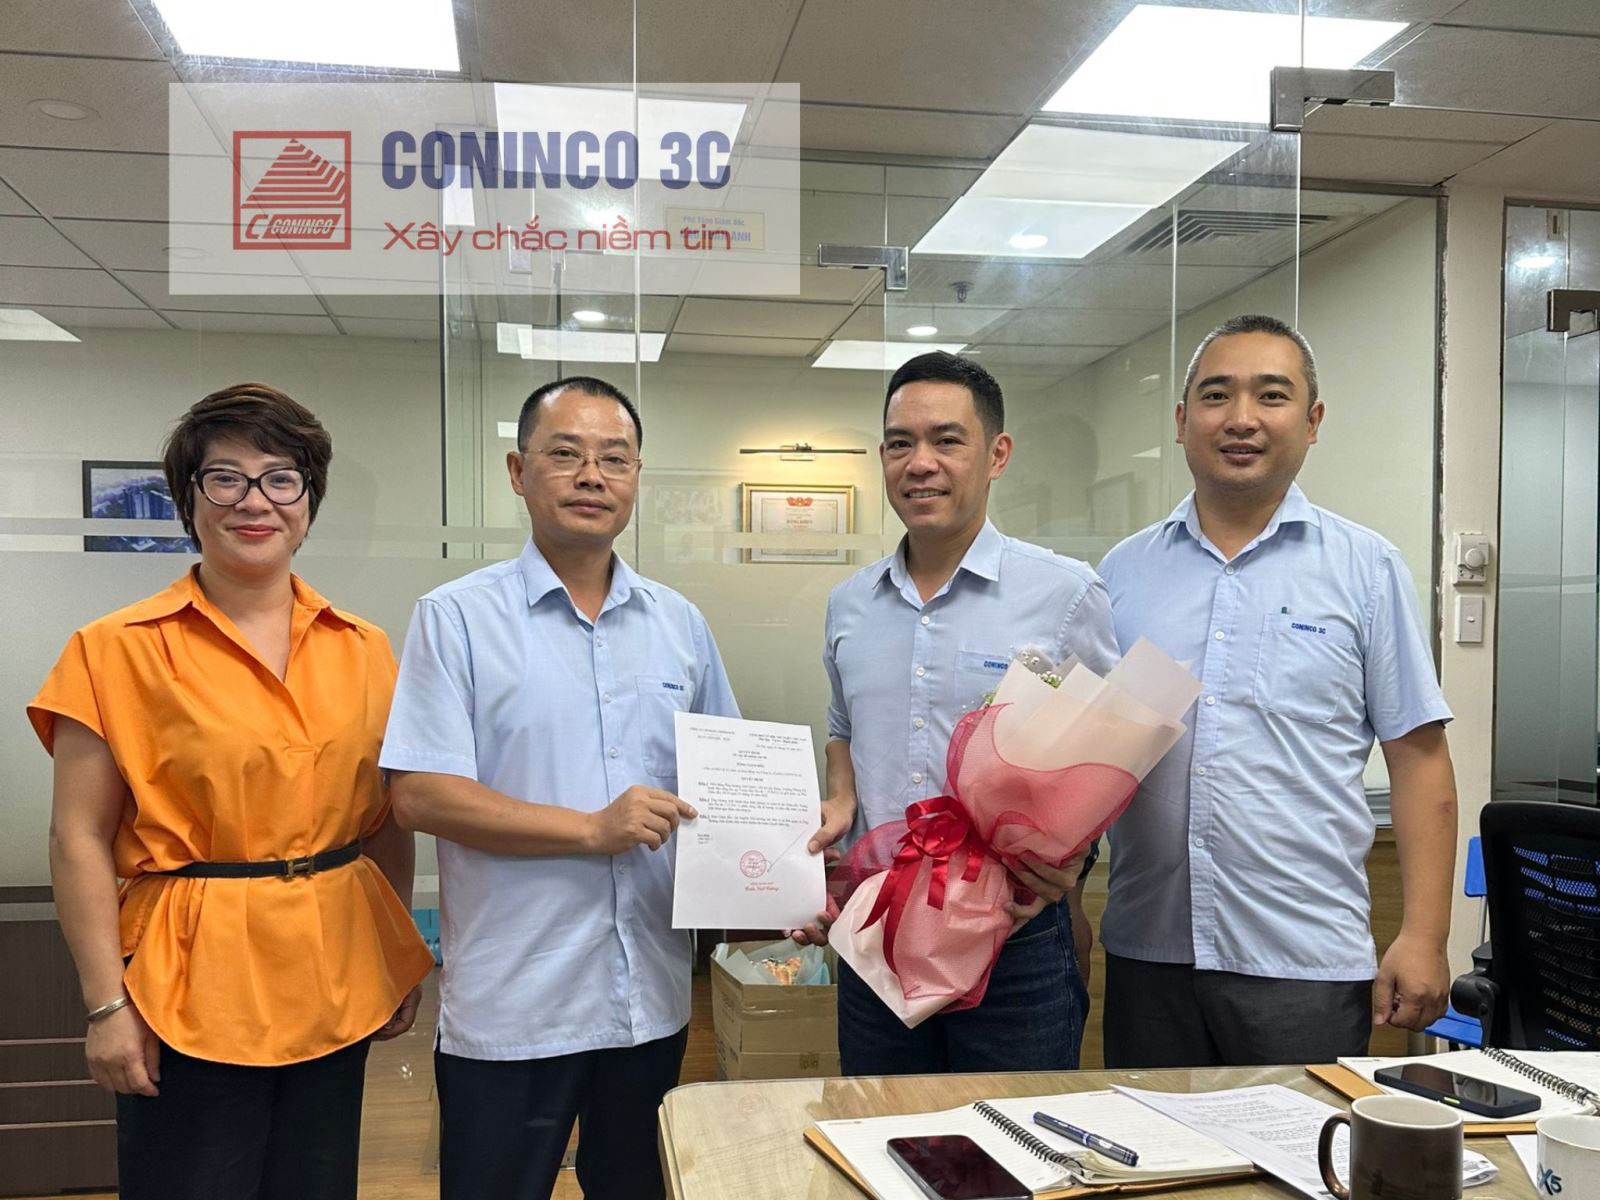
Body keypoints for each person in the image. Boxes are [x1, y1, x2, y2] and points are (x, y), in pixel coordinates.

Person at [30, 383, 434, 1200]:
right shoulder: (115, 649)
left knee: (318, 1185)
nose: (256, 502)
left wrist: (393, 962)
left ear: (309, 501)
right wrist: (105, 1005)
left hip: (333, 970)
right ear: (189, 497)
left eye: (281, 478)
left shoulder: (364, 649)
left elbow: (386, 822)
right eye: (226, 478)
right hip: (186, 980)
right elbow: (77, 837)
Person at [381, 376, 739, 1200]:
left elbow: (724, 782)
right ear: (518, 472)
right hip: (516, 1004)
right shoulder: (457, 617)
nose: (591, 476)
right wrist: (590, 829)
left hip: (648, 999)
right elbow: (420, 796)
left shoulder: (680, 625)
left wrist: (777, 875)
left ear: (637, 477)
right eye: (565, 454)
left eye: (615, 458)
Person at [1096, 314, 1458, 1068]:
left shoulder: (1366, 569)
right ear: (1182, 420)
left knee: (1302, 1145)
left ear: (1312, 421)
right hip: (1149, 949)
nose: (1241, 418)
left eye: (1271, 395)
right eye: (1217, 395)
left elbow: (1420, 760)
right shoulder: (1122, 574)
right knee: (1152, 1142)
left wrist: (1424, 935)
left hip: (1303, 958)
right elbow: (1084, 760)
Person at [795, 351, 1119, 1074]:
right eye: (900, 443)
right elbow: (843, 729)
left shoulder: (1064, 595)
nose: (921, 463)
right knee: (880, 1130)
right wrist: (840, 797)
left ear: (997, 454)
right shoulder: (849, 605)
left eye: (947, 440)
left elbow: (1108, 753)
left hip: (1013, 939)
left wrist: (1072, 863)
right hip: (877, 933)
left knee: (1013, 1133)